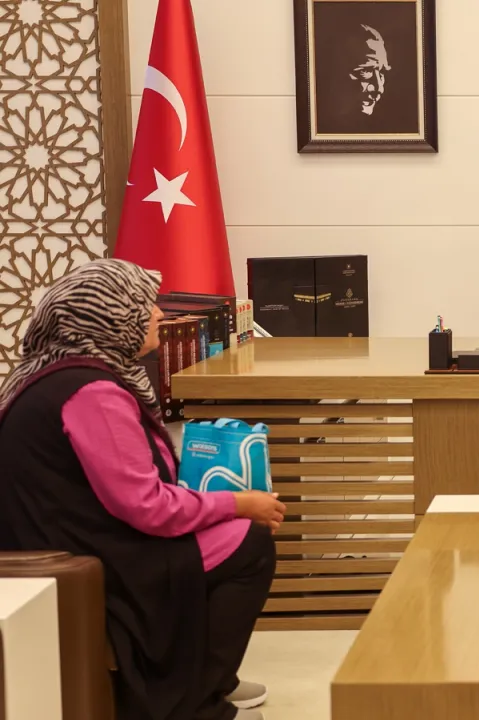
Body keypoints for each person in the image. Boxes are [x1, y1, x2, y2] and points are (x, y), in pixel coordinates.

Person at [0, 260, 287, 720]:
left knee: (233, 534)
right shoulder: (91, 392)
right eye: (144, 306)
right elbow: (147, 507)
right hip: (93, 553)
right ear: (112, 319)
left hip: (76, 539)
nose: (158, 315)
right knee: (249, 544)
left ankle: (207, 682)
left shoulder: (58, 375)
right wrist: (238, 503)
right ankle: (192, 704)